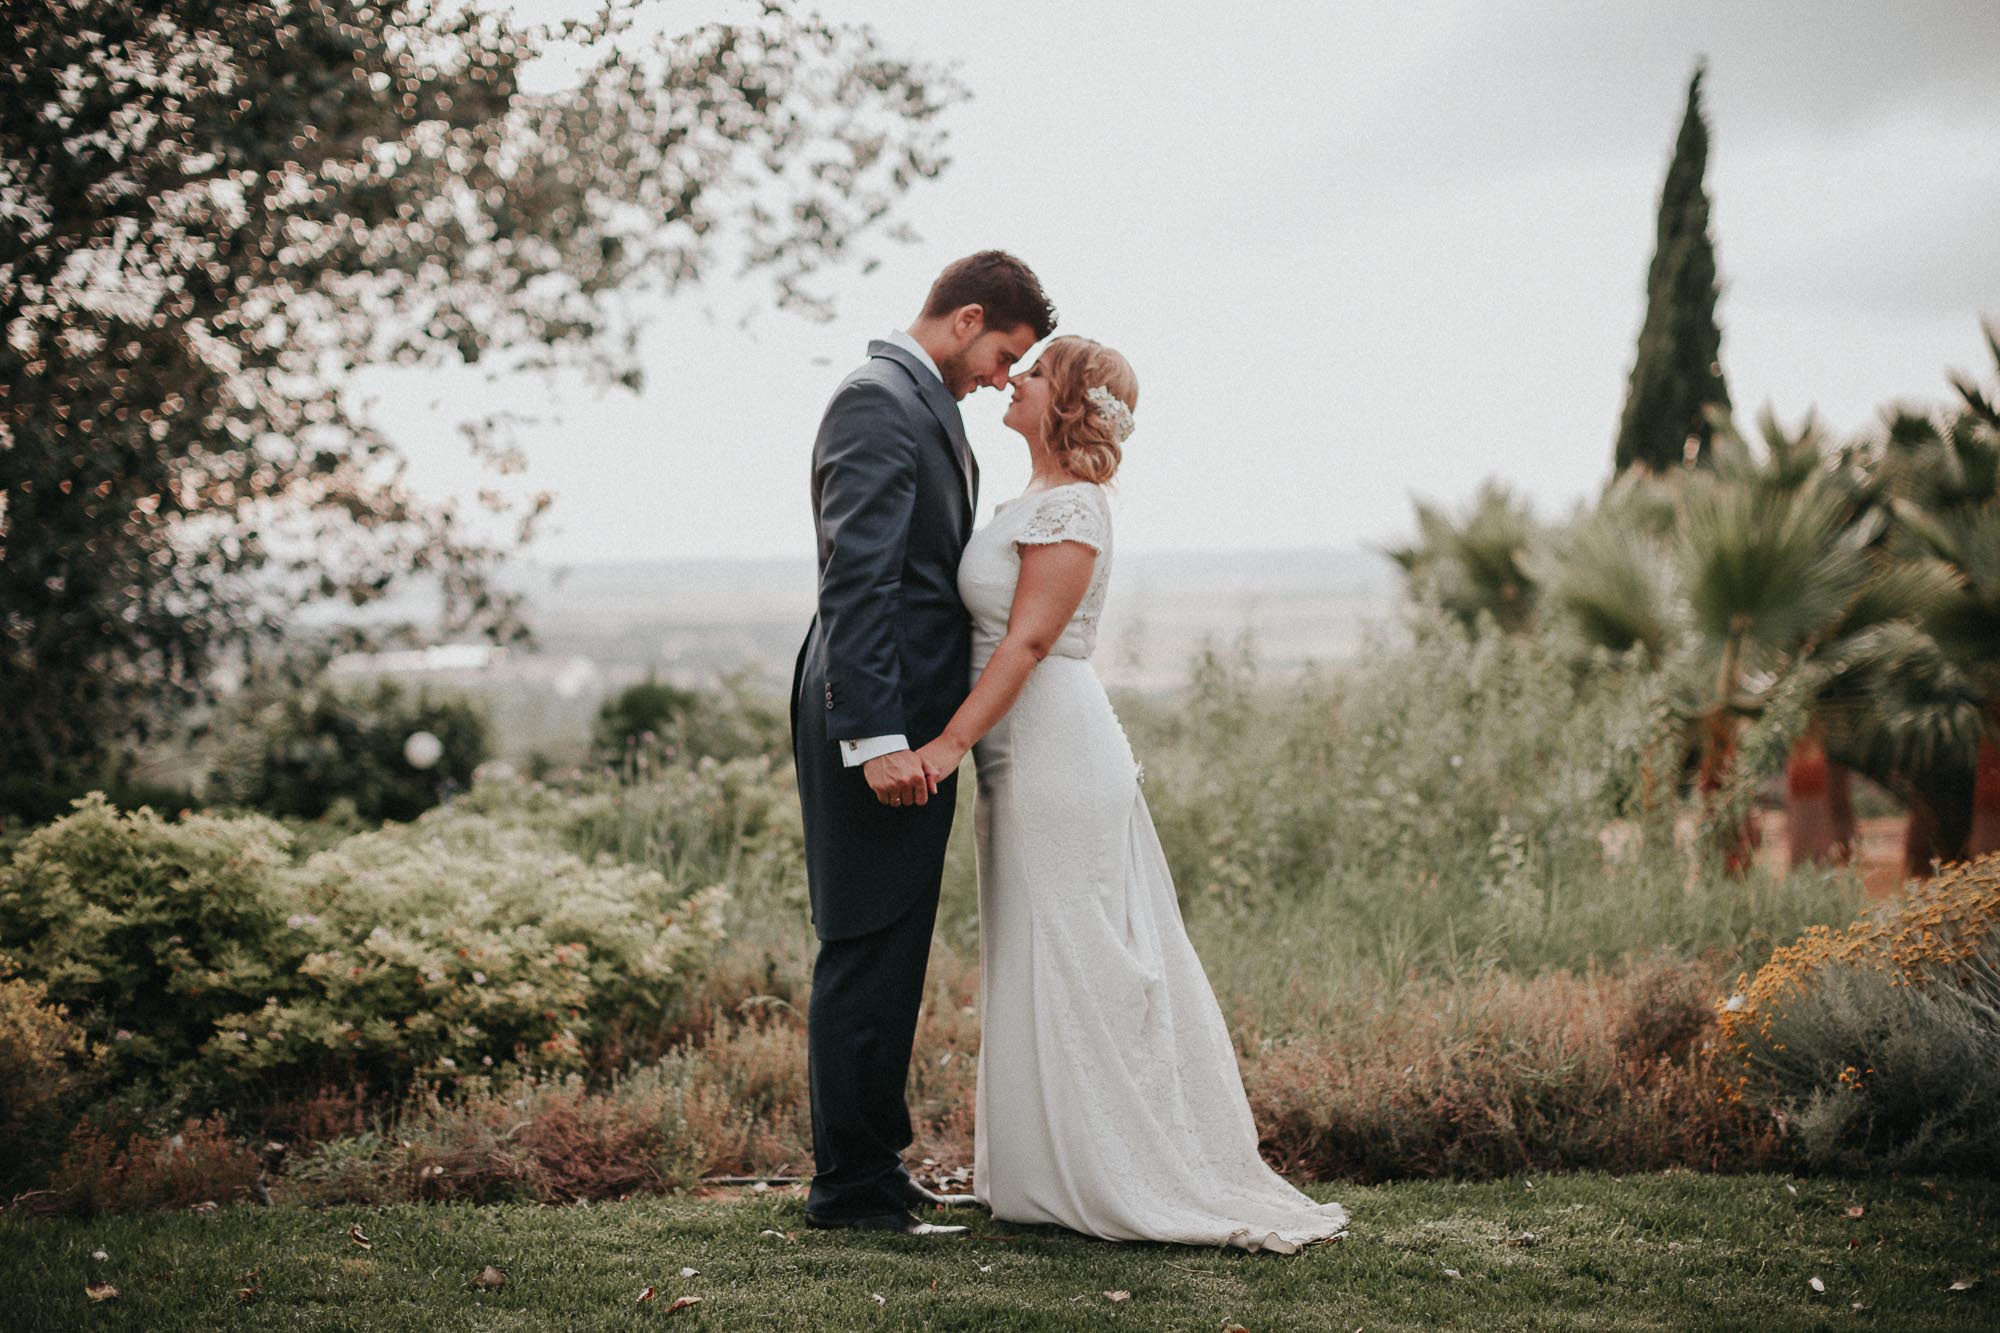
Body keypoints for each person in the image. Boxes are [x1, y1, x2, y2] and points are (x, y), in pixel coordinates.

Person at [913, 336, 1351, 1252]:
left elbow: (1027, 645)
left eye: (1032, 372)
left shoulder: (1074, 507)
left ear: (1066, 401)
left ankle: (1127, 1167)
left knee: (1084, 949)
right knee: (1033, 942)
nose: (1014, 378)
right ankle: (1042, 1171)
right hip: (1016, 752)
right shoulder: (1032, 497)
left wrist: (950, 742)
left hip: (1053, 749)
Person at [791, 251, 1056, 1235]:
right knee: (864, 944)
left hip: (902, 717)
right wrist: (875, 738)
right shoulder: (876, 400)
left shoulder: (915, 401)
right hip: (879, 721)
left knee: (890, 946)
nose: (999, 378)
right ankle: (848, 1192)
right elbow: (854, 582)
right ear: (966, 318)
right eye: (1002, 354)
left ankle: (871, 1166)